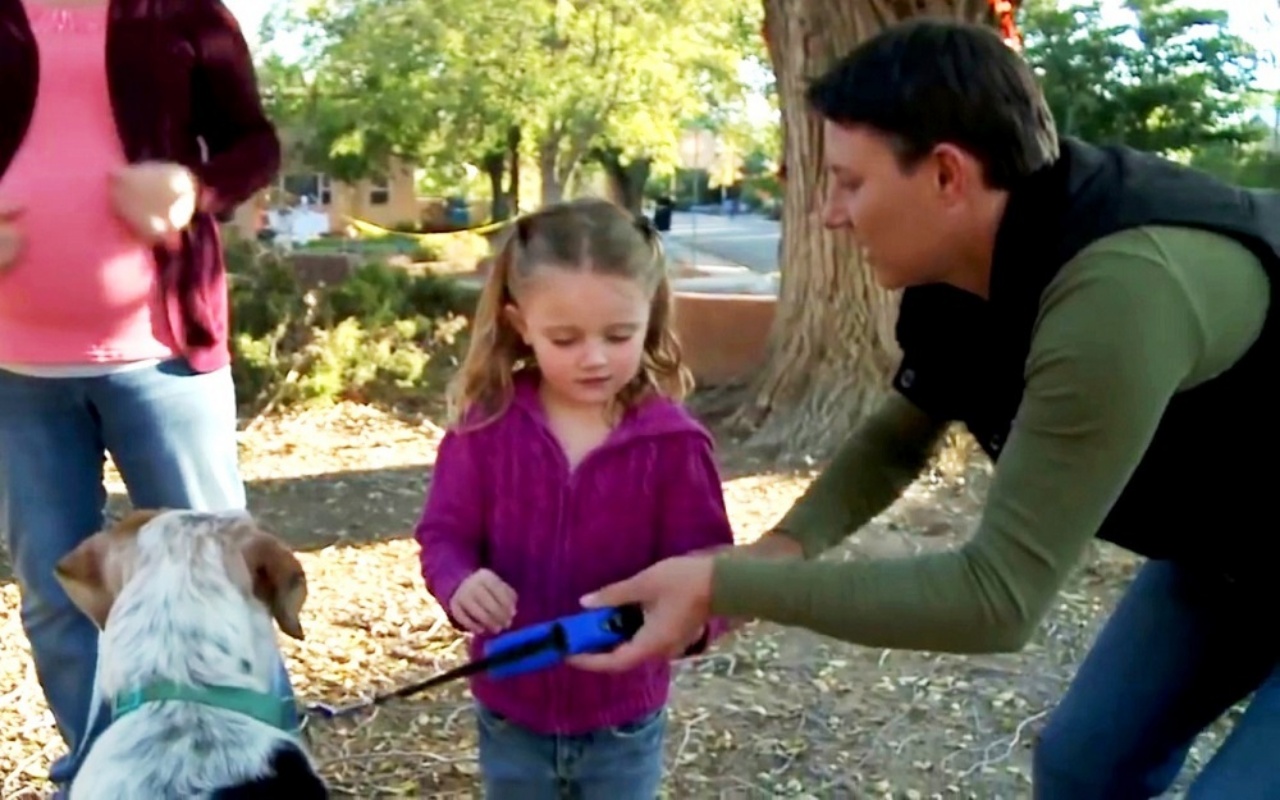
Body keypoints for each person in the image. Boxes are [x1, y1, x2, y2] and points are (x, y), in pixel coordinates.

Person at [570, 19, 1280, 800]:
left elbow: (996, 599)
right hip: (1232, 557)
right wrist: (779, 549)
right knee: (1083, 765)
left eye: (850, 182)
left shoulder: (1118, 294)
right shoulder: (961, 276)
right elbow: (896, 441)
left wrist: (722, 587)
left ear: (947, 176)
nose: (830, 215)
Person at [0, 0, 300, 792]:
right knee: (56, 593)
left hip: (165, 356)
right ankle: (99, 774)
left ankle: (262, 764)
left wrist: (195, 189)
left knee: (227, 571)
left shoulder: (184, 10)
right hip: (16, 368)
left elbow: (254, 143)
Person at [414, 197, 735, 799]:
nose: (594, 357)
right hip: (510, 712)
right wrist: (459, 582)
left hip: (624, 722)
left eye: (619, 335)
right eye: (565, 338)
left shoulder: (674, 445)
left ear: (651, 318)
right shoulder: (485, 430)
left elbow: (712, 573)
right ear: (520, 325)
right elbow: (444, 534)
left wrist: (687, 628)